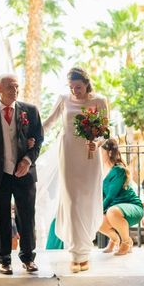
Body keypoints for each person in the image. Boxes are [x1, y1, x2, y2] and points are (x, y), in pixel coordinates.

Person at [0, 74, 44, 275]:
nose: (15, 90)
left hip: (24, 174)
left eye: (16, 86)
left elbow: (38, 140)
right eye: (10, 87)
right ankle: (4, 260)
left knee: (27, 216)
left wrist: (27, 160)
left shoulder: (30, 111)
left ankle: (28, 258)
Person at [43, 67, 109, 273]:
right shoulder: (64, 99)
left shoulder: (100, 101)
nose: (75, 91)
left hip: (90, 158)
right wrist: (31, 132)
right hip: (69, 155)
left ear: (86, 84)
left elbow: (105, 131)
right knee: (72, 202)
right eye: (71, 87)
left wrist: (97, 143)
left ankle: (85, 253)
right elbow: (50, 121)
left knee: (87, 201)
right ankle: (74, 254)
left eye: (78, 87)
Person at [98, 139, 144, 256]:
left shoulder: (118, 170)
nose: (99, 154)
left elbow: (110, 197)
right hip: (115, 209)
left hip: (132, 207)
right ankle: (115, 239)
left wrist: (99, 210)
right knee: (97, 220)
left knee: (111, 212)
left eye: (101, 151)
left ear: (108, 153)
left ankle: (127, 242)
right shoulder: (103, 171)